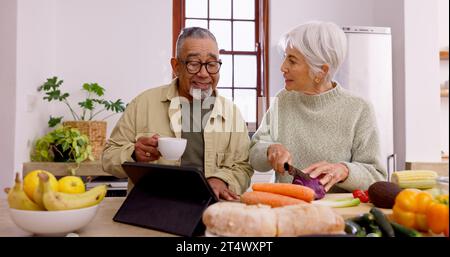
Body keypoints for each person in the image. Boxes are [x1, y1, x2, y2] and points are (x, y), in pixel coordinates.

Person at [102, 27, 253, 200]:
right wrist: (134, 154)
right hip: (153, 208)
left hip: (210, 209)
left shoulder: (231, 113)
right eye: (194, 64)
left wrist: (222, 180)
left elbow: (244, 166)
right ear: (176, 66)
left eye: (211, 64)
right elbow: (109, 156)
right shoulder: (143, 103)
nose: (204, 74)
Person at [249, 21, 386, 193]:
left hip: (338, 214)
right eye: (285, 57)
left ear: (321, 71)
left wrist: (345, 171)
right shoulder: (283, 100)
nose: (283, 67)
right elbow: (255, 151)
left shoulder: (359, 108)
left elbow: (377, 176)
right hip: (287, 209)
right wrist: (270, 149)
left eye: (292, 61)